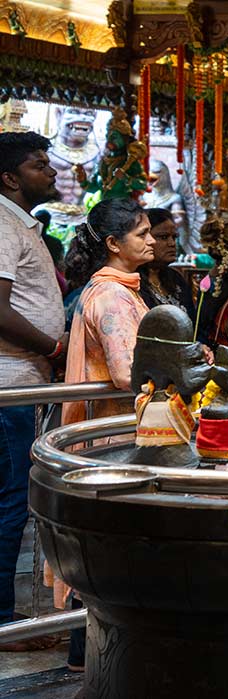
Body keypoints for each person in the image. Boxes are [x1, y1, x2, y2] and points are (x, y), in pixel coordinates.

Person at [0, 131, 65, 642]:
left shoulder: (23, 225)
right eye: (39, 165)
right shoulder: (3, 222)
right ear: (9, 178)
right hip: (10, 386)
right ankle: (2, 618)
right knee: (9, 502)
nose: (51, 170)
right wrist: (52, 347)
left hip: (25, 382)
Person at [62, 198, 154, 426]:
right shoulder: (112, 295)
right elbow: (128, 373)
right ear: (113, 243)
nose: (151, 241)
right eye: (142, 235)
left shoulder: (118, 288)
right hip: (114, 429)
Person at [138, 208, 193, 313]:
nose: (172, 243)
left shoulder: (176, 279)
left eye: (174, 237)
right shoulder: (134, 282)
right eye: (163, 237)